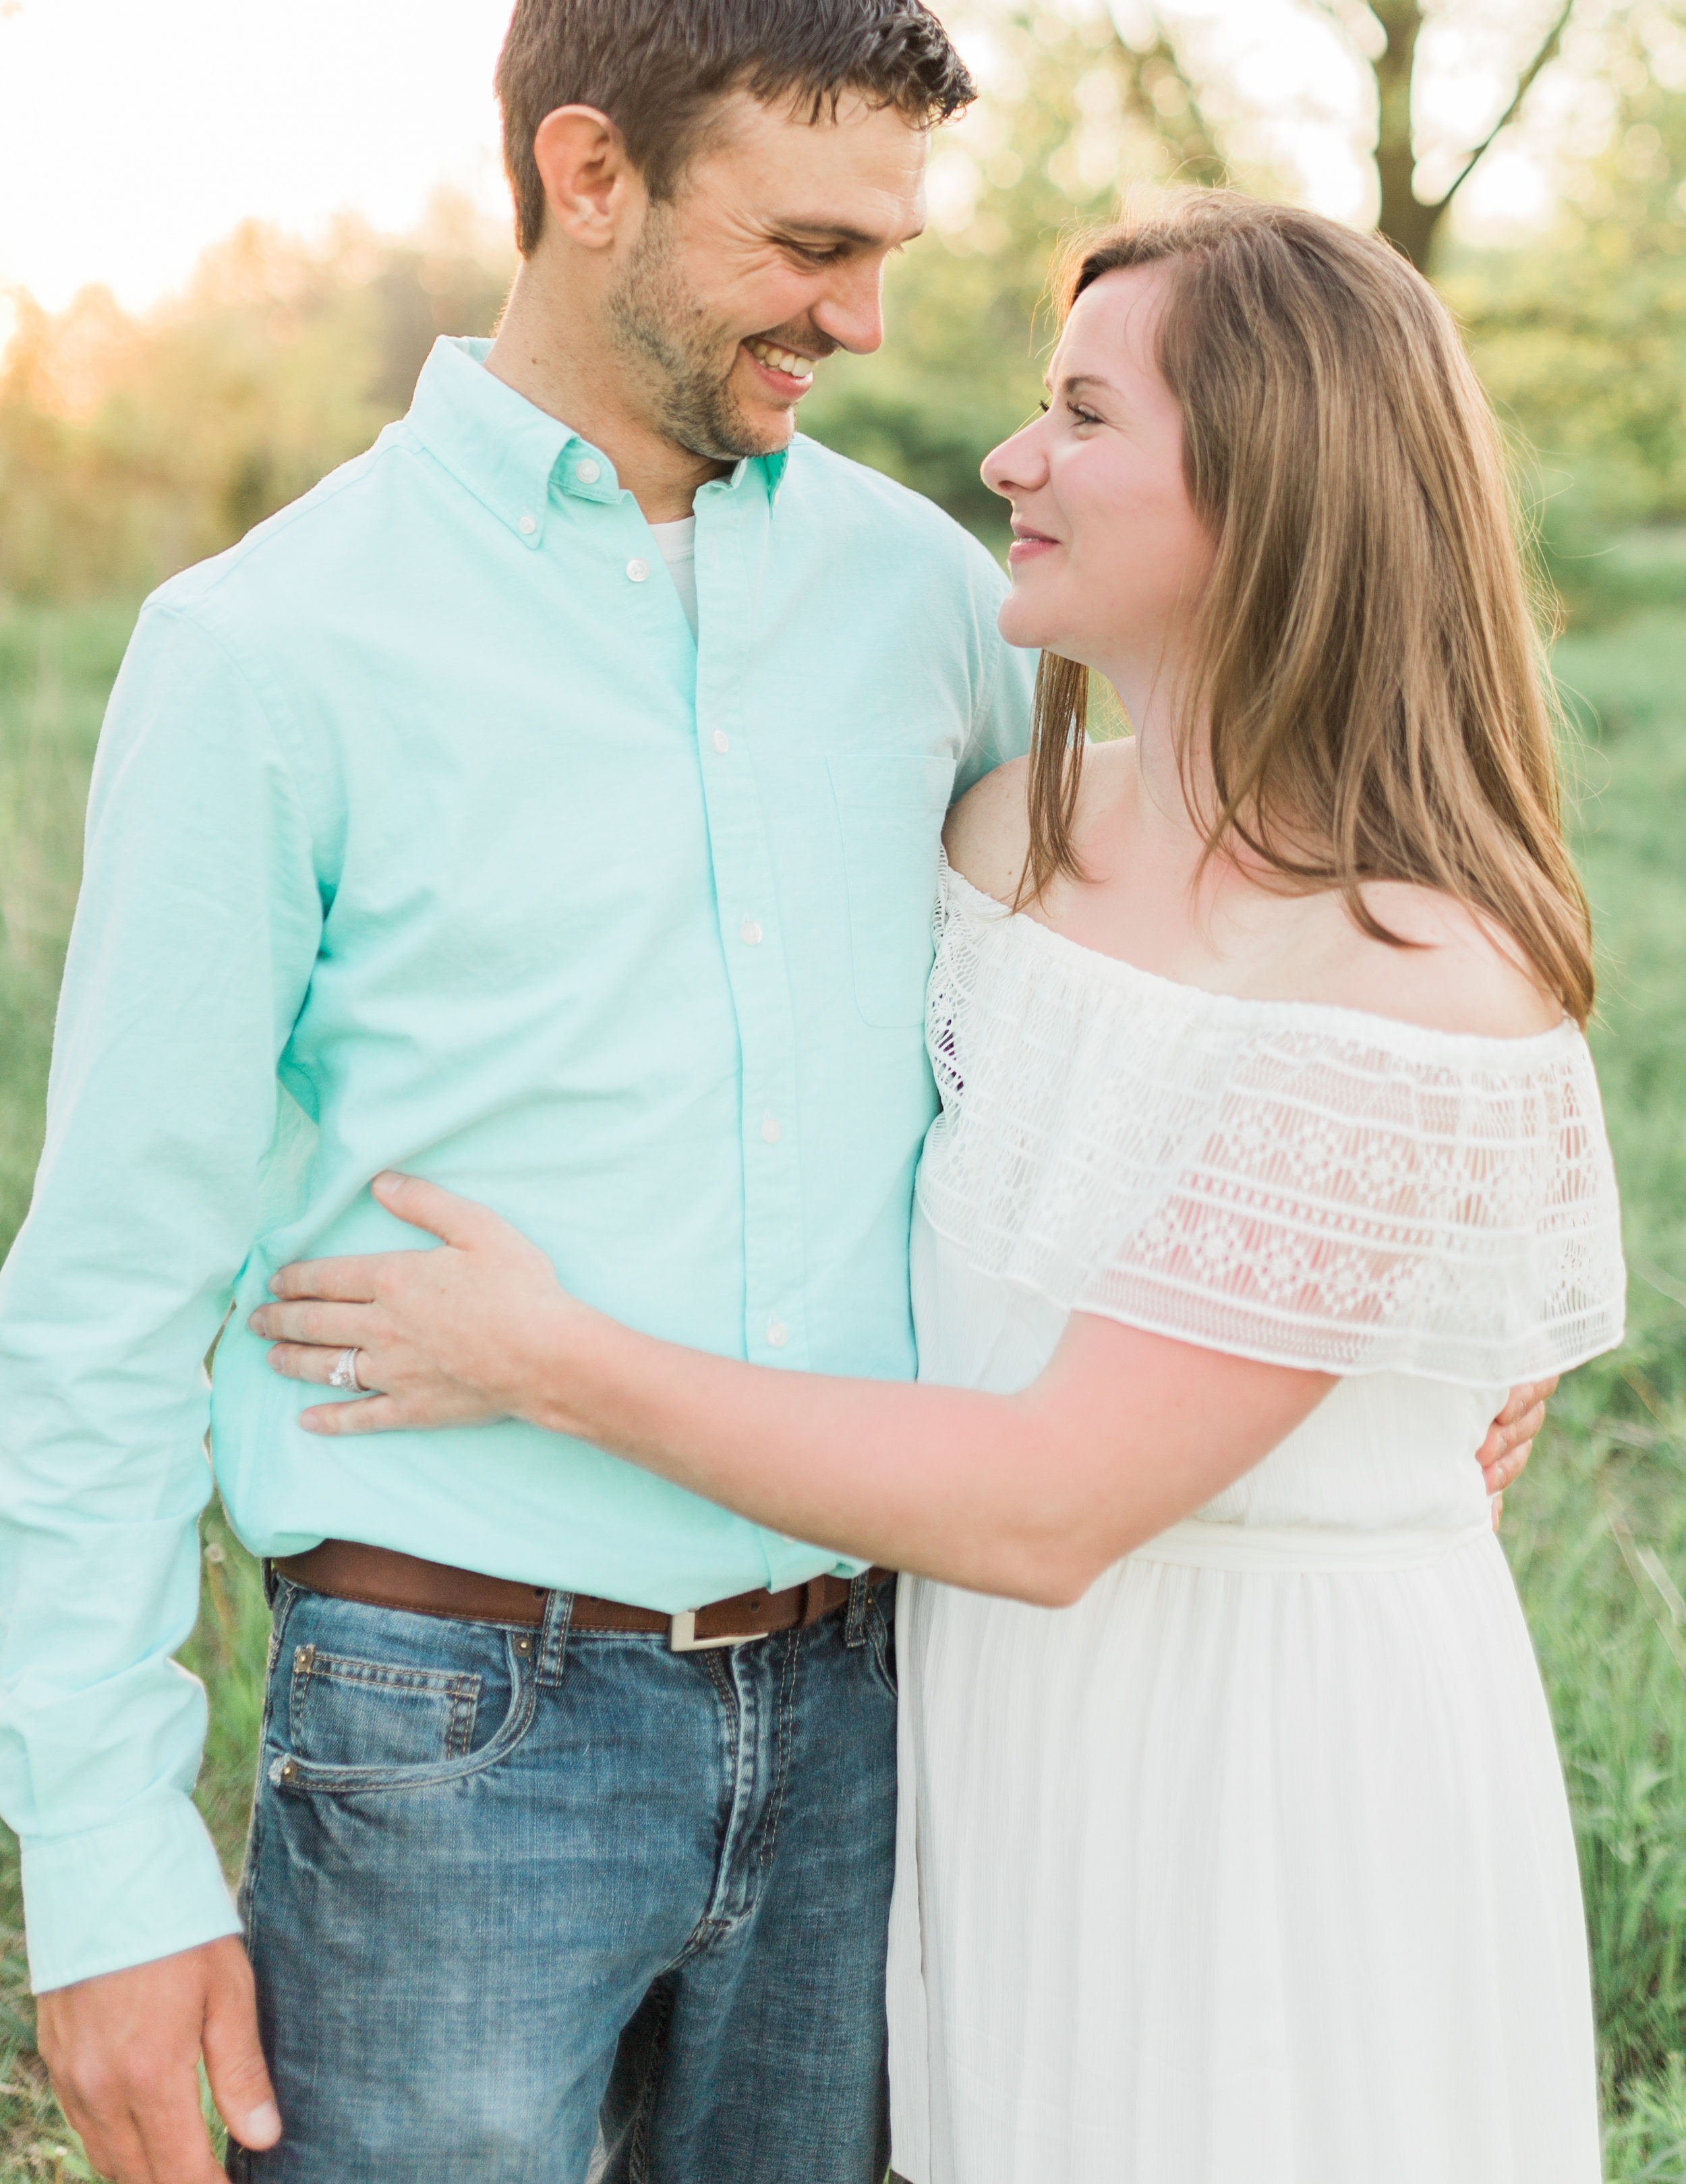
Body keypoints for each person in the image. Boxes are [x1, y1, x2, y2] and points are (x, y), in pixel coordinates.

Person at [256, 194, 1622, 2184]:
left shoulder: (1414, 980)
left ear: (1274, 491)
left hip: (1265, 1778)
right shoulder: (1015, 834)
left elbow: (1057, 1498)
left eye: (1082, 414)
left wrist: (549, 1360)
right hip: (995, 1748)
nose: (1007, 458)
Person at [0, 0, 1022, 2184]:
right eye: (804, 246)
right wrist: (104, 1859)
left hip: (877, 1704)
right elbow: (105, 1293)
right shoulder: (271, 648)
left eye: (887, 249)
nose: (860, 316)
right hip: (453, 1729)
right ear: (587, 175)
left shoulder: (930, 599)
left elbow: (1182, 941)